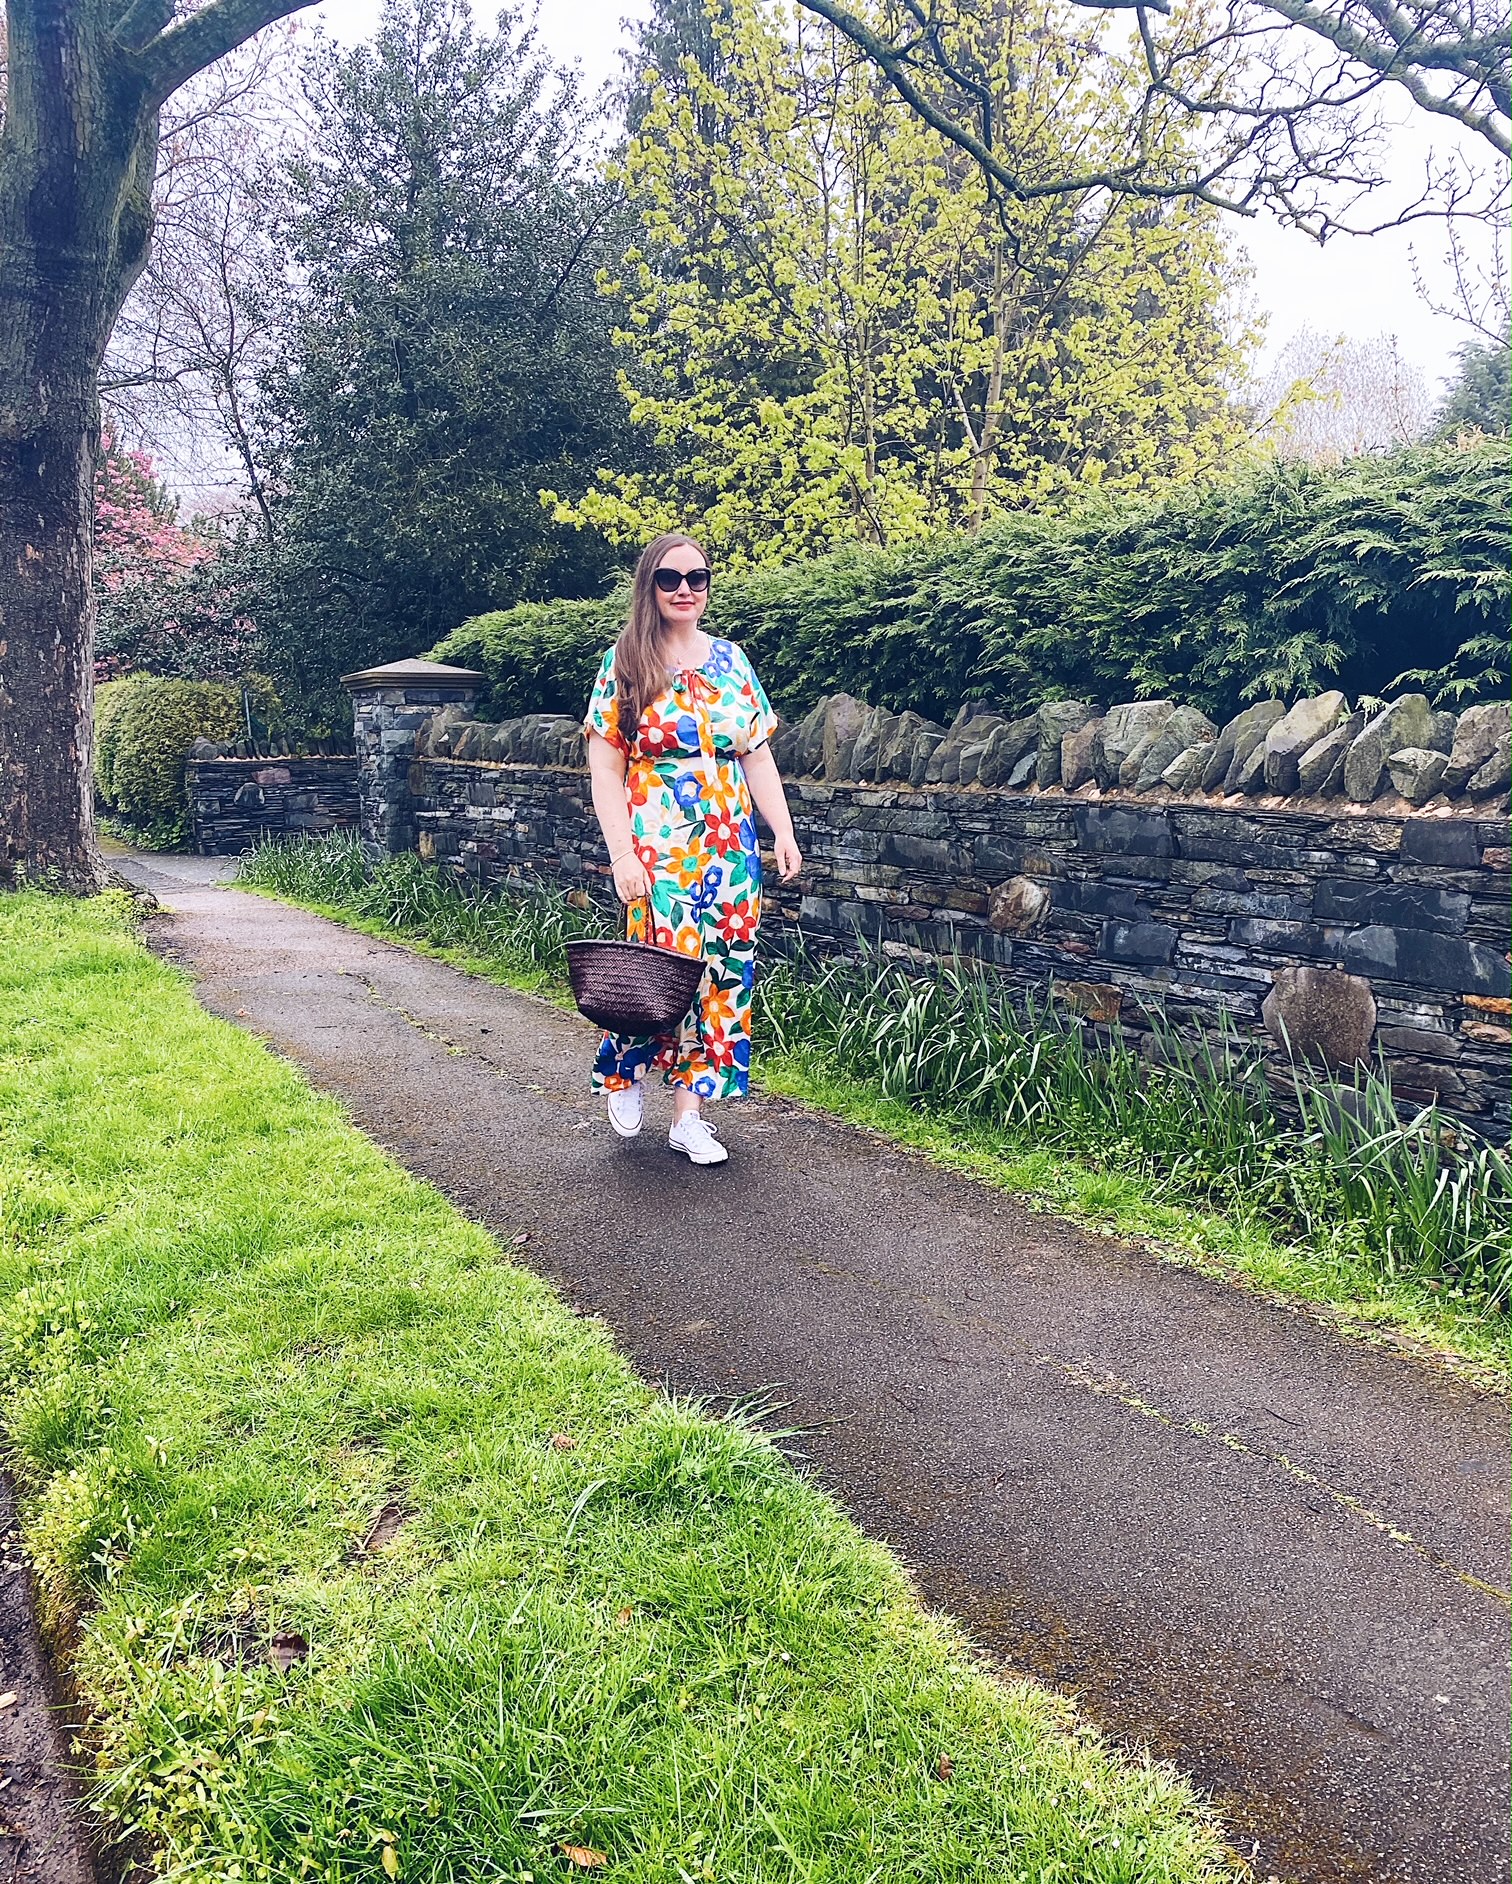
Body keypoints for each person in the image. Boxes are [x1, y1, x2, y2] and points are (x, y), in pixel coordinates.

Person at [583, 532, 803, 1165]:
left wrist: (781, 832)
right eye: (670, 579)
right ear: (649, 586)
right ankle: (625, 1075)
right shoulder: (624, 663)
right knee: (653, 969)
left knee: (723, 975)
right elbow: (605, 770)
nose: (685, 590)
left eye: (697, 578)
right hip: (658, 847)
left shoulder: (733, 662)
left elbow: (755, 754)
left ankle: (689, 1114)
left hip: (730, 850)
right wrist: (621, 853)